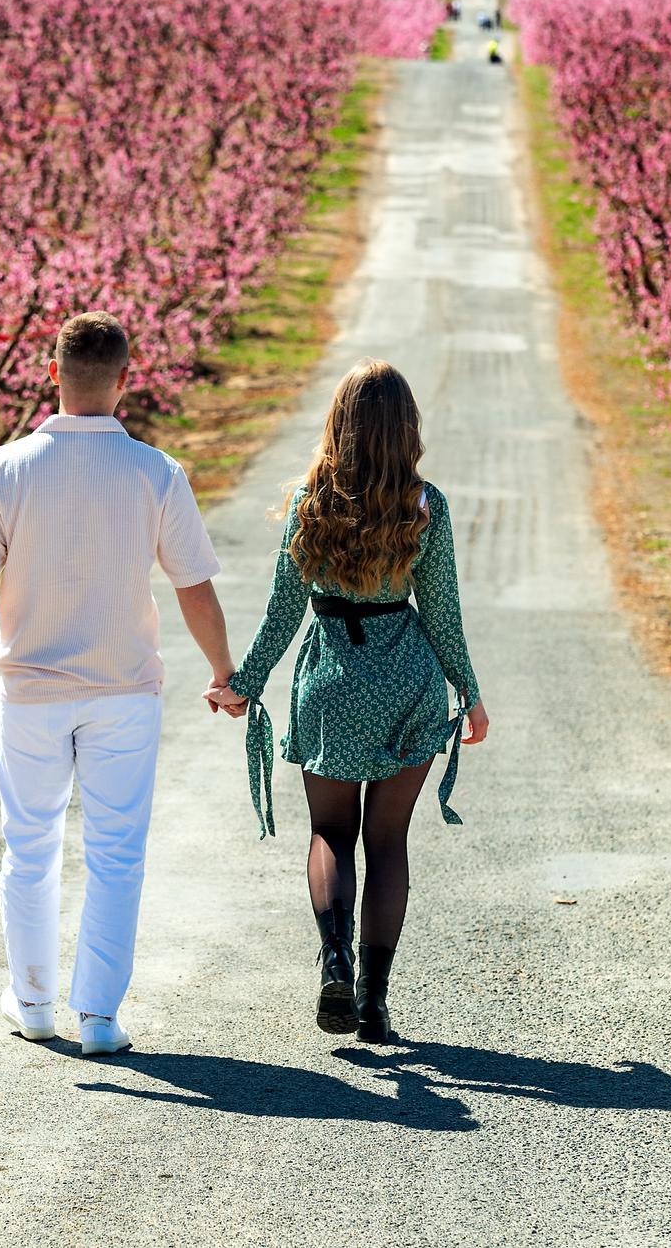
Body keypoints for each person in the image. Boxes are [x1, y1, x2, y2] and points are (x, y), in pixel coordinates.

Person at [0, 311, 231, 1057]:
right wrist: (225, 672)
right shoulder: (156, 472)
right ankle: (98, 1015)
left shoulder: (2, 468)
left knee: (28, 847)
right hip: (123, 690)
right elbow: (193, 587)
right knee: (117, 852)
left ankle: (32, 1001)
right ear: (125, 383)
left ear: (51, 373)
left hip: (30, 691)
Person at [206, 361, 489, 1045]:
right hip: (407, 684)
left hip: (330, 682)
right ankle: (375, 1004)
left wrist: (243, 683)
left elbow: (283, 608)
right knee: (387, 841)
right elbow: (443, 612)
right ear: (407, 429)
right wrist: (470, 694)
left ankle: (333, 958)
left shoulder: (310, 501)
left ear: (339, 424)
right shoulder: (426, 505)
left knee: (330, 834)